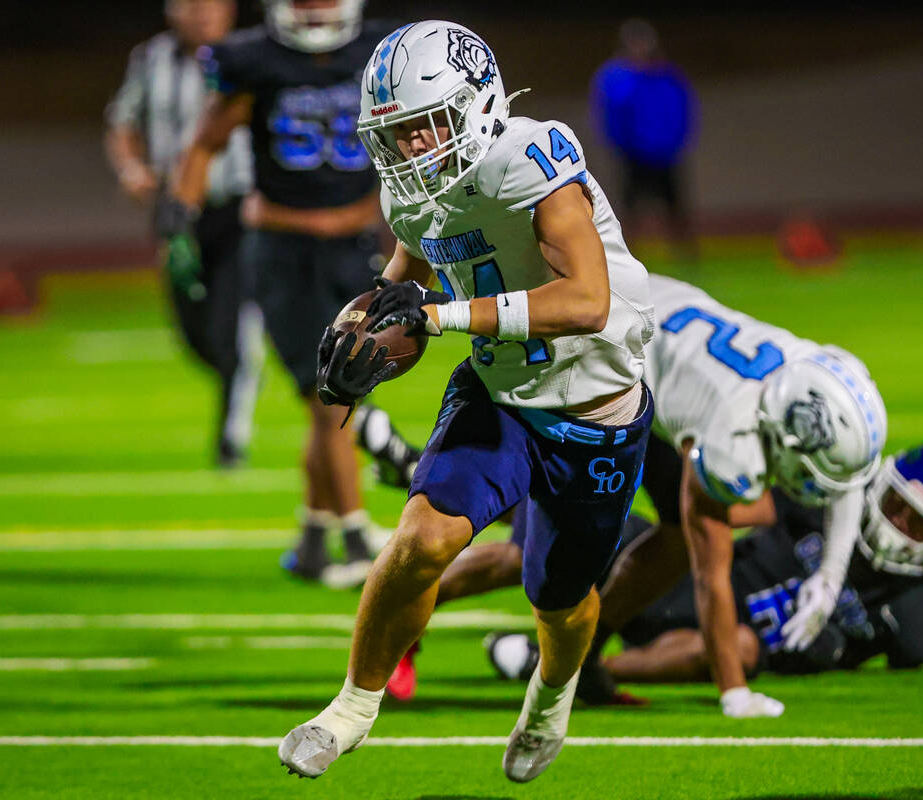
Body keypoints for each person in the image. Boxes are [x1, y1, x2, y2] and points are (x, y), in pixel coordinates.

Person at [277, 20, 656, 783]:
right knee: (421, 539)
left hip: (596, 406)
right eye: (396, 133)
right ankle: (350, 708)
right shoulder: (408, 191)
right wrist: (361, 332)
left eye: (425, 125)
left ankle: (550, 698)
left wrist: (440, 317)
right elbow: (404, 291)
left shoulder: (528, 158)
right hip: (503, 390)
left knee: (560, 599)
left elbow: (586, 300)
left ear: (475, 104)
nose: (412, 148)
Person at [383, 274, 886, 718]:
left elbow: (847, 471)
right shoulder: (732, 437)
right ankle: (402, 630)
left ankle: (586, 658)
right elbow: (711, 566)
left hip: (664, 357)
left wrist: (830, 573)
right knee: (535, 551)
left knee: (670, 542)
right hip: (600, 362)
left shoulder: (816, 376)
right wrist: (734, 691)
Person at [164, 0, 416, 583]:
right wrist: (180, 219)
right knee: (327, 396)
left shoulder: (379, 55)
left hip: (354, 246)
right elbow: (205, 143)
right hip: (283, 251)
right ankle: (355, 537)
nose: (314, 9)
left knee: (333, 396)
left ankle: (312, 538)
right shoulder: (255, 61)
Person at [487, 445, 923, 688]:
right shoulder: (830, 508)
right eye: (897, 504)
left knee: (740, 647)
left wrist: (827, 654)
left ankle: (557, 666)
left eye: (916, 523)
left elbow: (856, 662)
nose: (895, 524)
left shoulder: (916, 624)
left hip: (727, 639)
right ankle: (456, 495)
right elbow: (717, 511)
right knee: (582, 517)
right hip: (684, 578)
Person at [105, 0, 262, 468]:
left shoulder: (252, 56)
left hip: (238, 207)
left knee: (231, 326)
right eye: (191, 4)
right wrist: (132, 168)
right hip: (177, 214)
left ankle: (231, 437)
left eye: (209, 4)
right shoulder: (151, 59)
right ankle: (237, 370)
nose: (200, 14)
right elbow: (121, 123)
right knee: (194, 331)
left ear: (230, 10)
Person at [590, 18, 698, 262]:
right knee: (630, 210)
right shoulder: (615, 77)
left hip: (666, 154)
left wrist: (678, 142)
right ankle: (626, 257)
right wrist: (621, 145)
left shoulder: (668, 76)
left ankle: (687, 257)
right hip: (632, 155)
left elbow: (683, 109)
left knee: (676, 208)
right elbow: (608, 115)